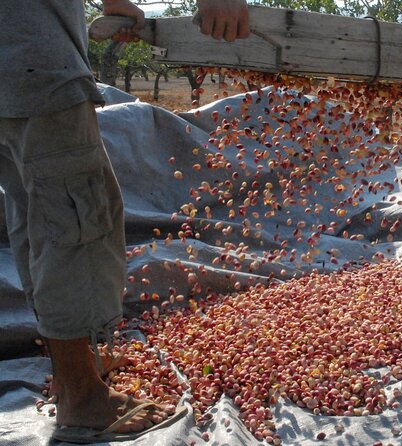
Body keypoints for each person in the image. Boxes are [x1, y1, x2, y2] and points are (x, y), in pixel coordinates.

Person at [0, 0, 248, 441]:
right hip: (30, 60)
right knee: (77, 219)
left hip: (13, 63)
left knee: (34, 214)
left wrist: (116, 5)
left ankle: (74, 367)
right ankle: (81, 398)